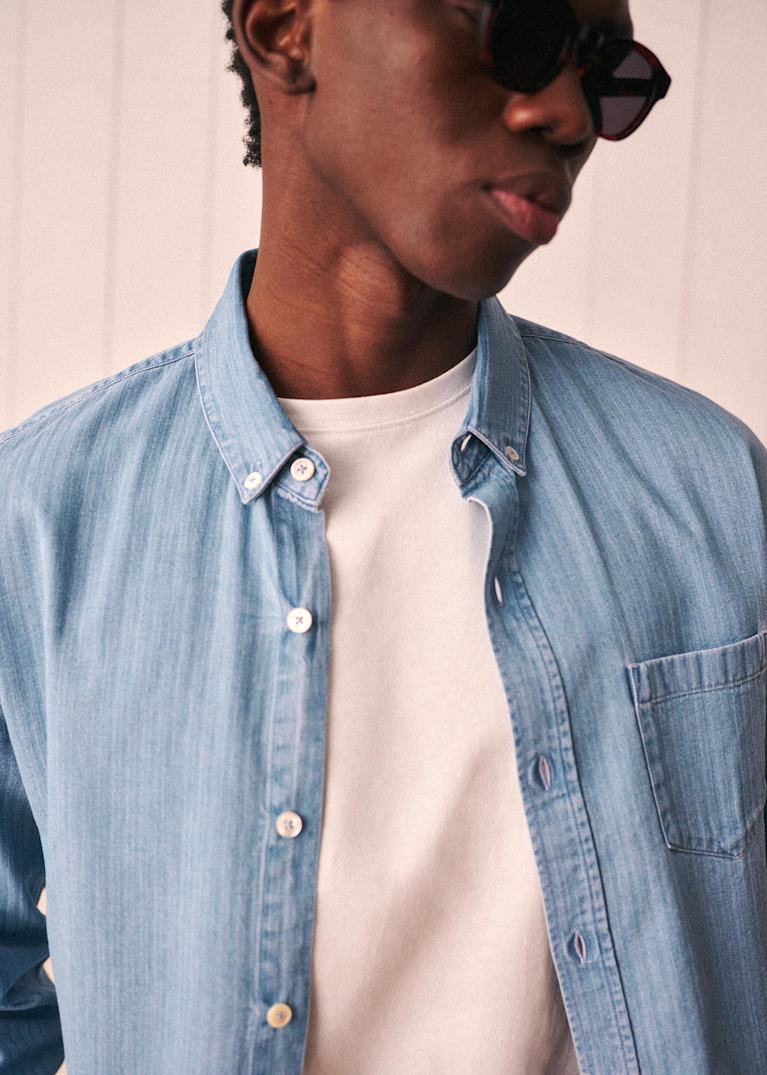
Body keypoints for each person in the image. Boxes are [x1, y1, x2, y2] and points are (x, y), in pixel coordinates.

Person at [0, 1, 764, 1073]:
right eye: (516, 30)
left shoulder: (712, 490)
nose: (566, 115)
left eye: (606, 73)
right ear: (285, 30)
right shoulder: (41, 517)